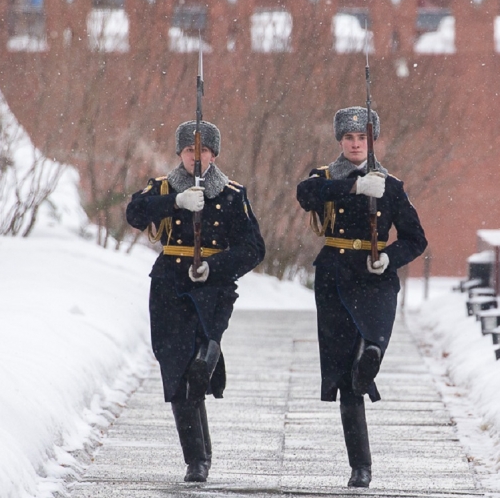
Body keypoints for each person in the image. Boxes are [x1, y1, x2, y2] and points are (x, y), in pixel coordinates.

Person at [126, 120, 265, 483]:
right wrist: (175, 201)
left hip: (212, 287)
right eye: (190, 150)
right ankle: (197, 457)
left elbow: (254, 249)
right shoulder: (162, 187)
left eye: (203, 150)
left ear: (214, 154)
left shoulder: (233, 194)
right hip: (170, 283)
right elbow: (134, 213)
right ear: (180, 154)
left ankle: (210, 355)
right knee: (176, 369)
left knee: (195, 367)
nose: (196, 157)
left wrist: (215, 266)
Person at [296, 106, 427, 488]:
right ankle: (360, 467)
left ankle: (372, 354)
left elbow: (416, 238)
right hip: (335, 275)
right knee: (346, 379)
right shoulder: (324, 178)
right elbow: (306, 195)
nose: (356, 144)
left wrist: (388, 258)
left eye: (363, 138)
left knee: (372, 343)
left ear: (373, 141)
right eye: (349, 138)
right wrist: (352, 186)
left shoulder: (393, 185)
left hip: (375, 277)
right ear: (340, 141)